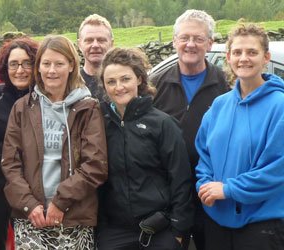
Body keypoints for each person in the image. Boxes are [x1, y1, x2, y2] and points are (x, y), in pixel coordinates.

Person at [2, 35, 108, 249]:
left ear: (71, 65)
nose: (52, 70)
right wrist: (29, 205)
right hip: (32, 216)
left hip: (74, 216)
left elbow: (95, 165)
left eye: (59, 63)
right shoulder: (22, 108)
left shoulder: (88, 108)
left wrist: (60, 202)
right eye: (46, 63)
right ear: (38, 67)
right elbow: (10, 163)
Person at [195, 23, 284, 250]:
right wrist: (205, 184)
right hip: (216, 221)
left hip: (262, 225)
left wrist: (228, 189)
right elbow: (204, 154)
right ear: (228, 57)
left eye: (252, 52)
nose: (244, 58)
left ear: (266, 57)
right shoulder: (219, 105)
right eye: (237, 52)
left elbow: (277, 169)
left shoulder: (279, 106)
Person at [96, 47, 193, 249]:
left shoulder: (163, 124)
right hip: (115, 232)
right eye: (111, 82)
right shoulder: (100, 126)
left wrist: (178, 230)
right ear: (104, 86)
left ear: (139, 79)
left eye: (125, 79)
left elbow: (181, 179)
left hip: (160, 229)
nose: (119, 87)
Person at [150, 10, 230, 249]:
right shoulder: (157, 85)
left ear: (210, 43)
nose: (190, 44)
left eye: (198, 38)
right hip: (168, 194)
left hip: (211, 192)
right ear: (174, 41)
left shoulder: (225, 86)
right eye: (184, 38)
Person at [0, 37, 38, 250]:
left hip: (32, 187)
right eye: (14, 64)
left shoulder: (44, 98)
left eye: (27, 63)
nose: (20, 70)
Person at [77, 14, 114, 103]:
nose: (95, 45)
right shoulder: (71, 83)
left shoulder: (123, 83)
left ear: (112, 43)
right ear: (79, 44)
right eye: (89, 40)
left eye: (101, 40)